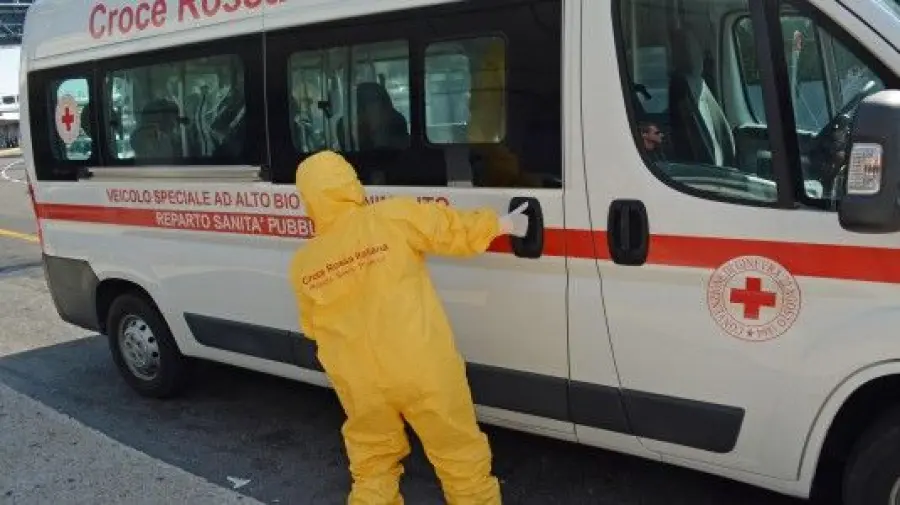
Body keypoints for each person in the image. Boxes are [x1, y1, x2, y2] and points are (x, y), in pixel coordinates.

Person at [288, 150, 529, 505]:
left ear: (308, 200)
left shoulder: (304, 264)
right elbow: (451, 230)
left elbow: (312, 328)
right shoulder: (391, 217)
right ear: (351, 183)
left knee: (372, 467)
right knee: (459, 456)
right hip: (421, 367)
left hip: (360, 383)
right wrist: (503, 224)